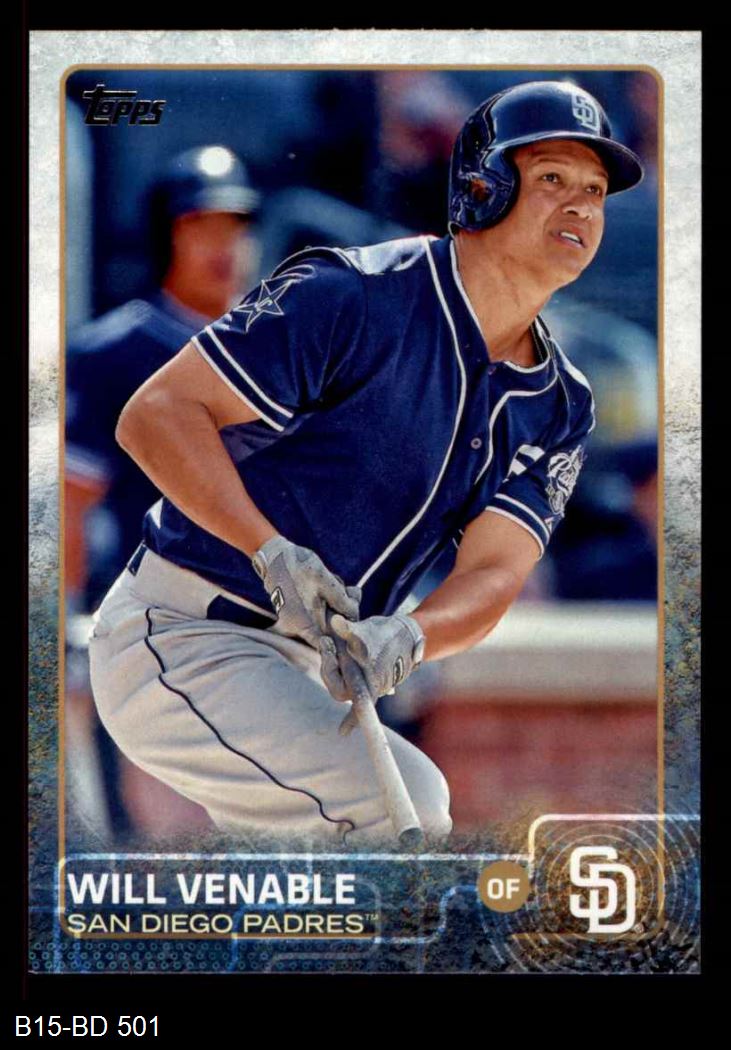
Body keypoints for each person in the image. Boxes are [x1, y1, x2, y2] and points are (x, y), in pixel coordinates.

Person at [86, 81, 644, 846]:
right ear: (483, 188)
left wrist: (411, 634)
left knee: (412, 812)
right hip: (184, 631)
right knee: (387, 819)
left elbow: (494, 572)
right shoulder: (356, 292)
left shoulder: (560, 402)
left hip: (300, 674)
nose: (579, 205)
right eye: (551, 177)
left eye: (594, 190)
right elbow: (156, 414)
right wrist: (268, 549)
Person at [65, 145, 260, 612]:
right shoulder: (111, 351)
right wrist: (65, 616)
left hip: (266, 609)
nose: (223, 245)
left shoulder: (284, 342)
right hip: (151, 613)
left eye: (234, 225)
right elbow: (71, 503)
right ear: (164, 235)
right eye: (201, 226)